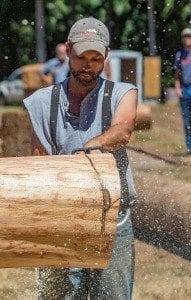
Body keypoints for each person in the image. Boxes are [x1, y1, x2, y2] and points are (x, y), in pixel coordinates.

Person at [24, 16, 138, 299]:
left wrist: (88, 148)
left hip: (112, 220)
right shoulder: (41, 102)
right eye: (81, 57)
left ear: (106, 57)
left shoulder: (122, 93)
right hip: (62, 218)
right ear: (68, 51)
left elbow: (122, 131)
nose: (88, 65)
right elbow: (39, 165)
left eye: (95, 58)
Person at [174, 28, 191, 156]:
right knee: (187, 121)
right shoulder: (180, 55)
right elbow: (177, 74)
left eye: (189, 36)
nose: (187, 38)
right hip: (185, 90)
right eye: (185, 36)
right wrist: (178, 88)